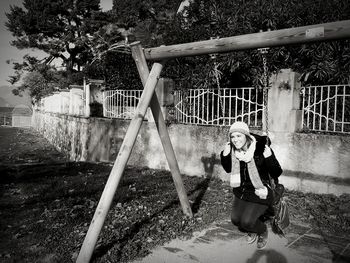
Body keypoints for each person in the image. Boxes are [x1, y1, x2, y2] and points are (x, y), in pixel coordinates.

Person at [220, 121, 282, 249]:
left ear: (246, 136)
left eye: (239, 136)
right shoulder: (233, 149)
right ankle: (253, 223)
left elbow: (277, 172)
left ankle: (262, 230)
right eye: (232, 137)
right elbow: (228, 169)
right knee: (236, 220)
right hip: (242, 191)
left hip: (261, 191)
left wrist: (269, 157)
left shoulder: (261, 149)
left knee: (247, 222)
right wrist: (225, 154)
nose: (235, 140)